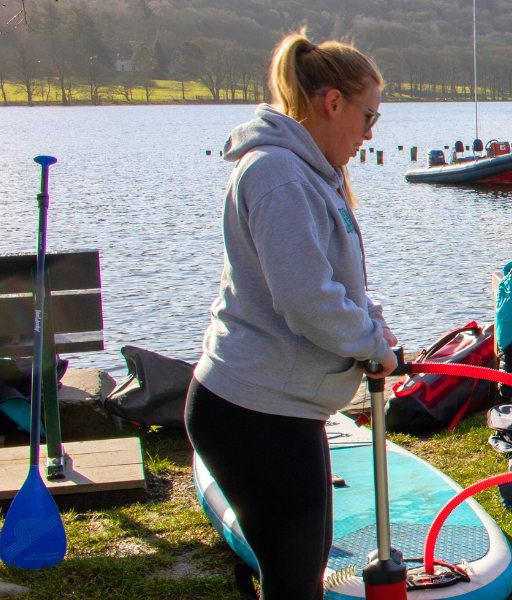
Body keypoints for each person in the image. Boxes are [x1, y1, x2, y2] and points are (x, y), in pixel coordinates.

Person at [186, 29, 397, 600]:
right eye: (368, 117)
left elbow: (339, 279)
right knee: (295, 578)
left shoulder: (310, 172)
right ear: (333, 103)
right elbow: (306, 300)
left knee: (299, 569)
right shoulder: (277, 174)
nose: (370, 134)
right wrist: (372, 345)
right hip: (252, 410)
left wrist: (375, 330)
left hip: (282, 408)